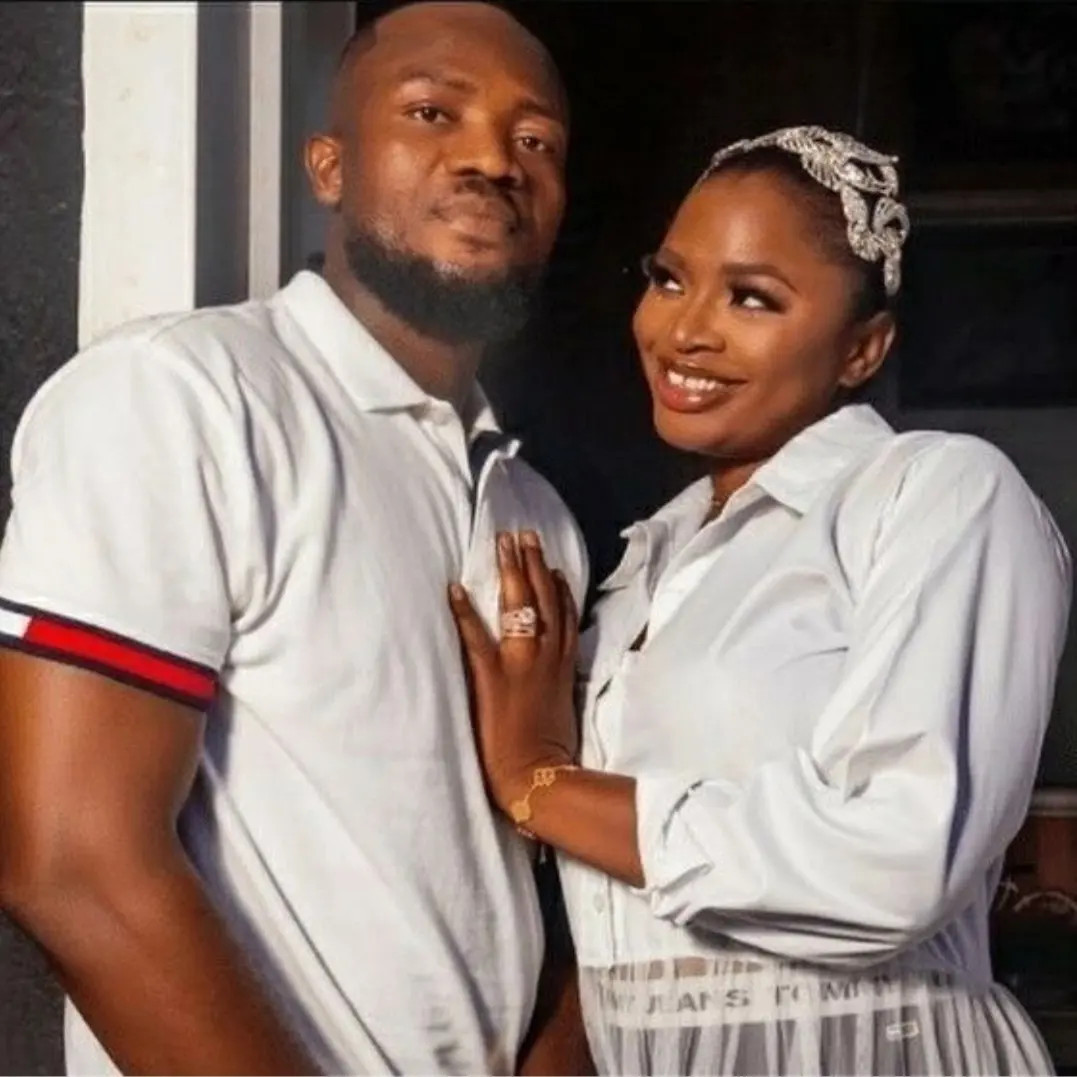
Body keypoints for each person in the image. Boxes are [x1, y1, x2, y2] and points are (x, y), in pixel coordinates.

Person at [0, 3, 590, 1073]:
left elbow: (533, 895)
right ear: (329, 166)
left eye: (535, 139)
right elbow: (74, 864)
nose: (493, 160)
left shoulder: (534, 512)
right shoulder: (184, 397)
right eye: (434, 112)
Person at [449, 125, 1072, 1075]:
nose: (684, 330)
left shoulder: (934, 493)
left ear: (861, 349)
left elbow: (895, 863)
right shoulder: (645, 562)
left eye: (751, 297)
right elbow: (635, 920)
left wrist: (541, 782)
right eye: (668, 279)